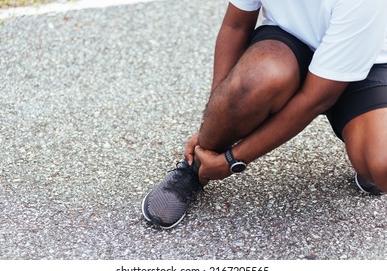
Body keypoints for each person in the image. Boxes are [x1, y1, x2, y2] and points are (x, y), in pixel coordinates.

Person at [142, 0, 387, 229]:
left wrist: (232, 160)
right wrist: (216, 118)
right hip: (289, 40)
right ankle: (196, 167)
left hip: (367, 61)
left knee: (381, 164)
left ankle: (365, 158)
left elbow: (315, 100)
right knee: (250, 84)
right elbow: (236, 26)